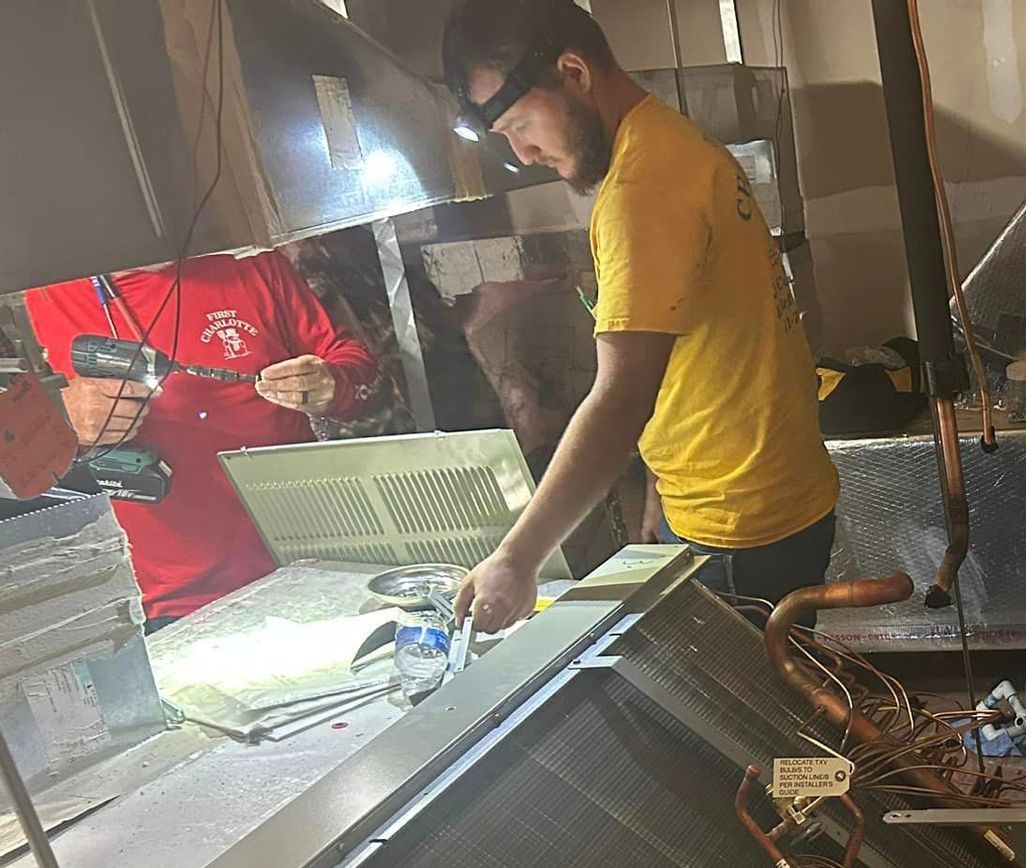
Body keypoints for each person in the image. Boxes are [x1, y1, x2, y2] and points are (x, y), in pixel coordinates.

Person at [442, 0, 839, 632]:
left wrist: (517, 560)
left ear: (573, 72)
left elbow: (622, 396)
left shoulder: (638, 191)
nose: (522, 153)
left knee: (748, 724)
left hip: (737, 521)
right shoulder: (671, 139)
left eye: (520, 124)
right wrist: (658, 483)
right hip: (762, 497)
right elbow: (688, 353)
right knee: (776, 700)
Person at [26, 251, 379, 625]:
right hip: (172, 598)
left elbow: (357, 368)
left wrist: (332, 385)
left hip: (312, 559)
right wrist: (65, 416)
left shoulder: (249, 258)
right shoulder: (45, 288)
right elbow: (22, 447)